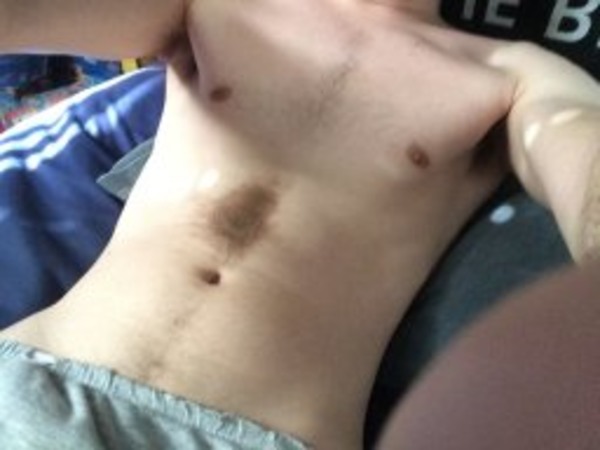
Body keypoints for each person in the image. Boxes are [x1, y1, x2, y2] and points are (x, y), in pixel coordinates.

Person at [0, 1, 598, 449]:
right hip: (36, 382)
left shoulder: (511, 75)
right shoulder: (214, 7)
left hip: (262, 434)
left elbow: (580, 151)